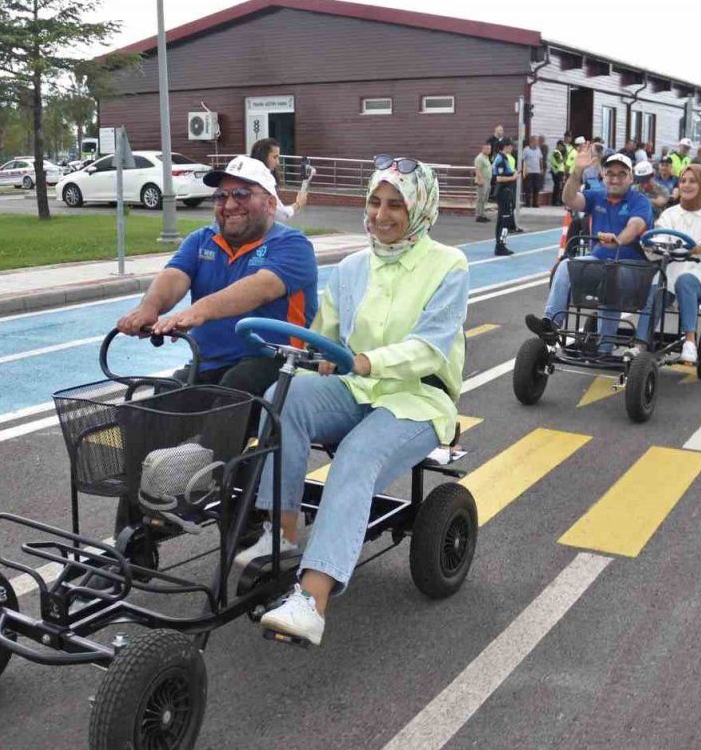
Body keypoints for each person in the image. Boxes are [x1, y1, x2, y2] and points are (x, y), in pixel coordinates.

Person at [239, 158, 469, 645]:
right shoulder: (349, 268)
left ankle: (311, 600)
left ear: (420, 209)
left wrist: (364, 361)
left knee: (358, 453)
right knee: (282, 397)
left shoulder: (448, 265)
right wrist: (314, 358)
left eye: (396, 205)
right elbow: (324, 337)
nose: (380, 216)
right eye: (374, 202)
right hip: (356, 388)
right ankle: (281, 535)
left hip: (419, 398)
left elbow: (430, 347)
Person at [116, 155, 318, 395]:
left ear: (271, 204)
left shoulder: (293, 245)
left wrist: (196, 312)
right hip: (210, 363)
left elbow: (260, 288)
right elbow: (174, 275)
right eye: (221, 196)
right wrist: (150, 307)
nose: (230, 205)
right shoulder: (201, 239)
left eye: (242, 194)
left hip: (280, 362)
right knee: (161, 399)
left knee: (236, 388)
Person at [526, 147, 653, 349]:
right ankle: (551, 325)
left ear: (631, 178)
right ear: (603, 176)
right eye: (610, 173)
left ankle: (605, 348)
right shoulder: (597, 196)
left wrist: (618, 240)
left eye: (622, 174)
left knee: (612, 277)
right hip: (599, 263)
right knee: (566, 266)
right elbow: (569, 199)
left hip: (633, 268)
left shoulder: (640, 201)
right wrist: (577, 172)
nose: (615, 179)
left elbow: (635, 226)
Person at [628, 164, 701, 364]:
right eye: (683, 181)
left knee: (685, 281)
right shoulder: (670, 214)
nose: (687, 185)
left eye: (693, 181)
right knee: (657, 290)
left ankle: (689, 341)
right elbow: (661, 234)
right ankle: (640, 344)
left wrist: (700, 247)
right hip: (672, 267)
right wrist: (651, 243)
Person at [250, 137, 309, 221]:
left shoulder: (246, 173)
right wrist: (298, 204)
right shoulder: (264, 179)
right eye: (275, 157)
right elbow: (281, 214)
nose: (278, 162)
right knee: (295, 234)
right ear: (263, 157)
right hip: (255, 229)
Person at [492, 139, 519, 251]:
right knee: (505, 218)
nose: (512, 148)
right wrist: (513, 177)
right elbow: (498, 178)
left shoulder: (504, 158)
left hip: (506, 190)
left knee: (502, 218)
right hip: (503, 191)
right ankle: (500, 245)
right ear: (506, 147)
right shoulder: (501, 159)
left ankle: (500, 243)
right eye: (510, 146)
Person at [521, 135, 544, 208]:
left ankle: (535, 203)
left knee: (536, 188)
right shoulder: (526, 150)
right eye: (536, 141)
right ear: (532, 141)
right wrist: (524, 170)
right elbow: (523, 160)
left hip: (537, 171)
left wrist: (541, 169)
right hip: (529, 172)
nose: (537, 142)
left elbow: (540, 160)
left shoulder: (538, 149)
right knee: (528, 188)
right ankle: (527, 203)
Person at [473, 139, 492, 222]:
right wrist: (480, 180)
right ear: (483, 148)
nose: (488, 150)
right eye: (487, 148)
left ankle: (482, 213)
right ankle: (478, 215)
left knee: (485, 198)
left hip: (488, 180)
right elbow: (477, 170)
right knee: (480, 198)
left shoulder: (486, 158)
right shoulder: (479, 158)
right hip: (482, 180)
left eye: (489, 149)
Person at [549, 137, 567, 203]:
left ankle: (557, 200)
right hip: (556, 171)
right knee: (557, 186)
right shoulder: (556, 152)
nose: (562, 147)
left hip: (559, 171)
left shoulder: (559, 152)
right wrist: (564, 159)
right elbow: (559, 161)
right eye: (562, 146)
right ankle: (555, 201)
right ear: (558, 145)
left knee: (558, 186)